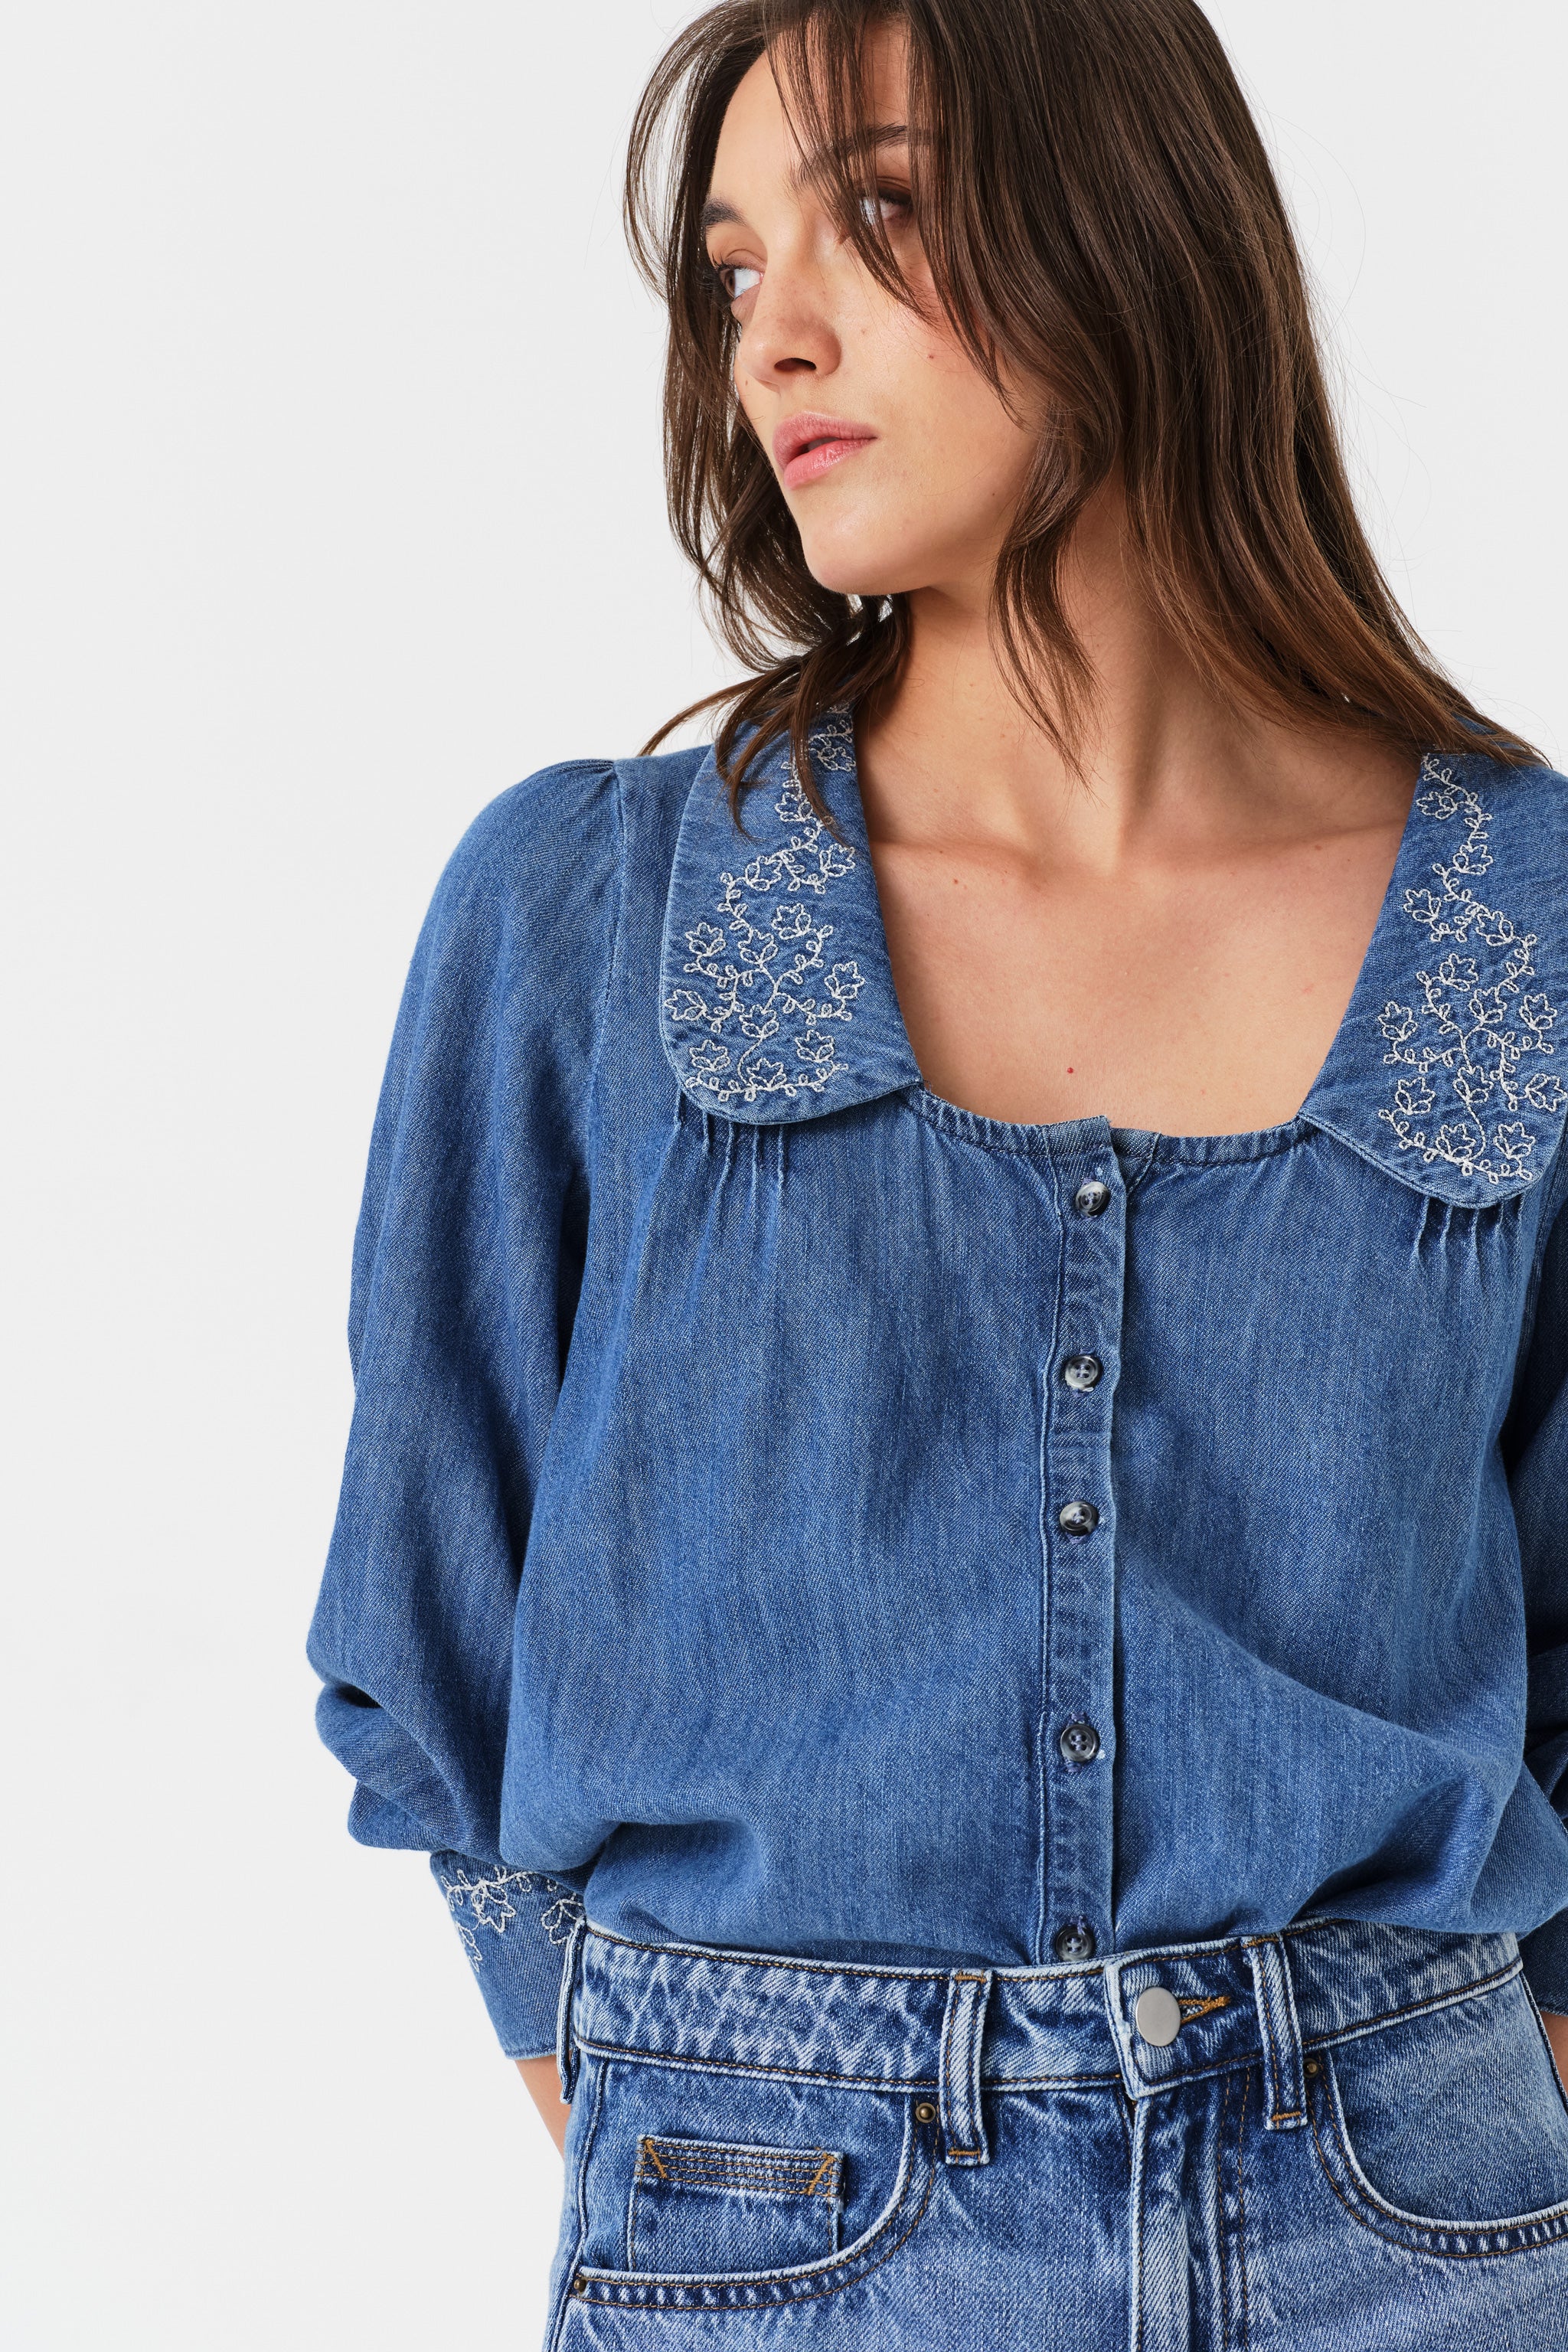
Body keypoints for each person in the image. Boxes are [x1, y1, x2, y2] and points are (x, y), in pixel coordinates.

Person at [306, 2, 1568, 2342]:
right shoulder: (598, 910)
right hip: (778, 2223)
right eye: (726, 268)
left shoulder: (1525, 917)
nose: (771, 332)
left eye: (873, 216)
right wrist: (720, 2123)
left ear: (1138, 223)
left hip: (1431, 2223)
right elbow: (430, 1617)